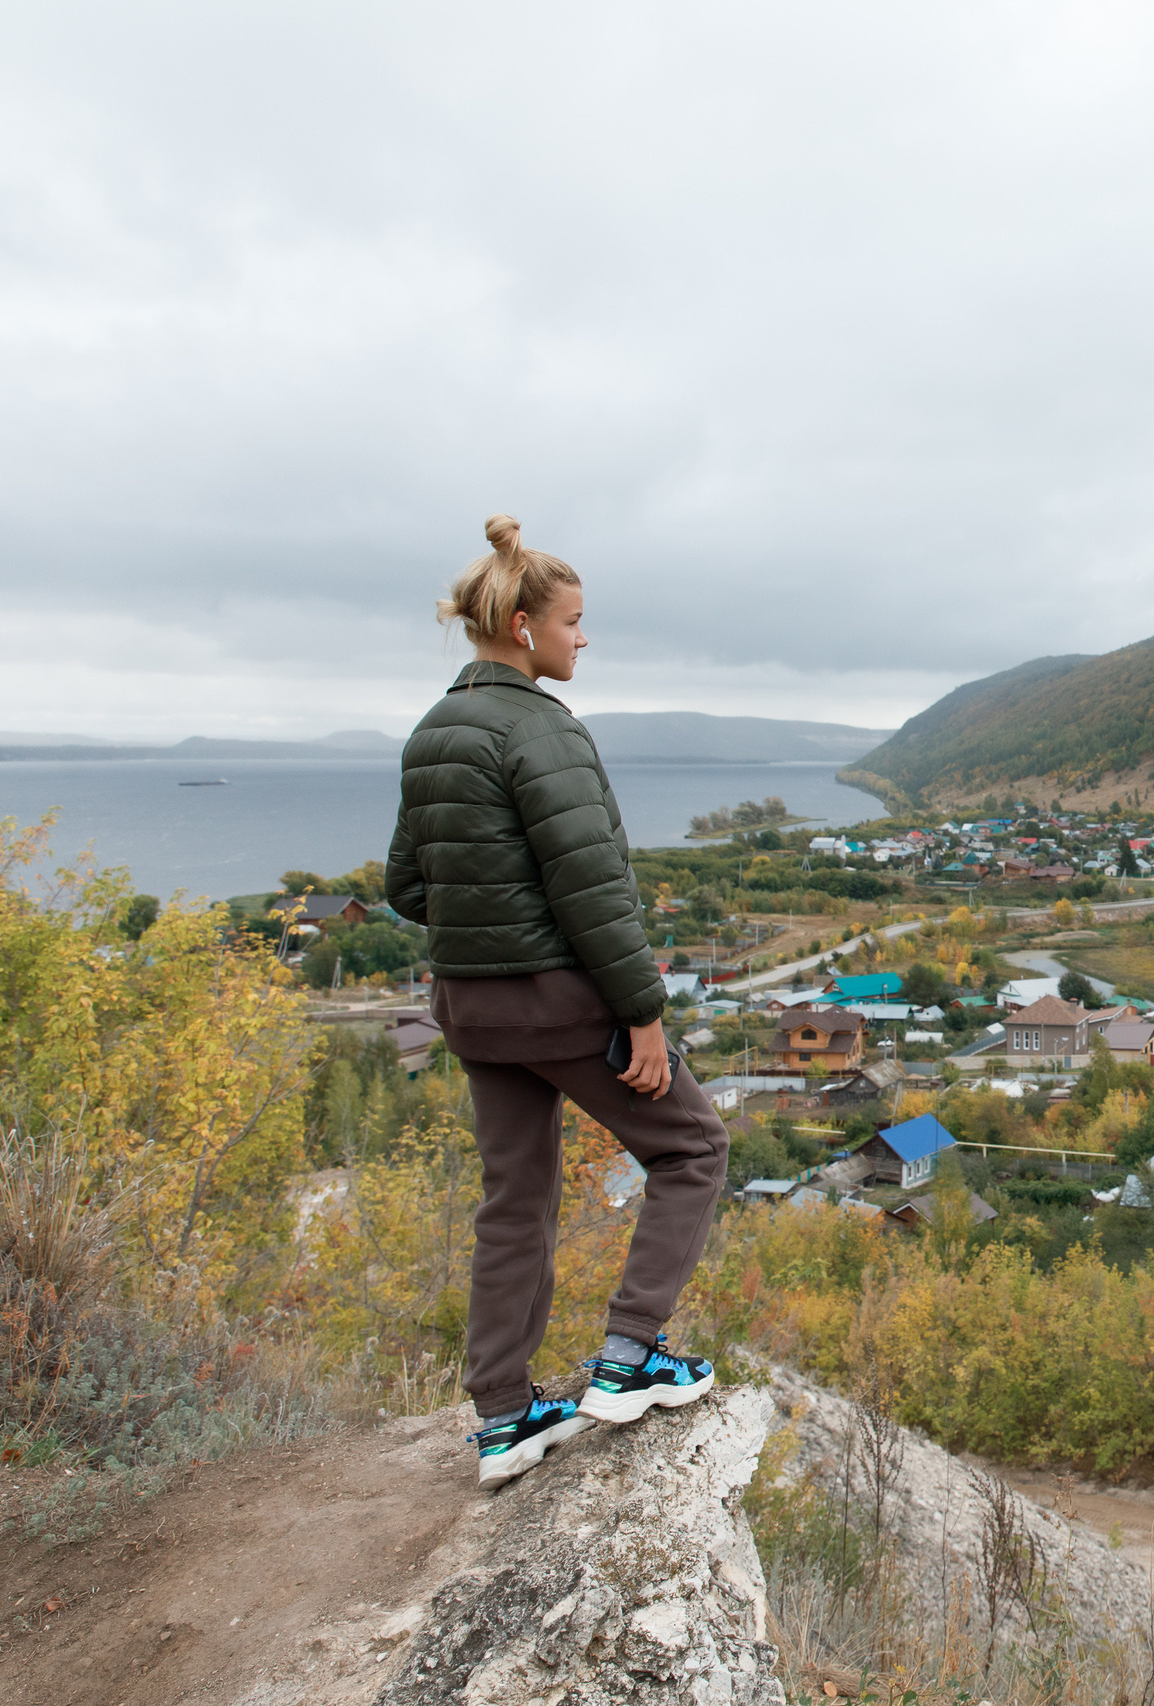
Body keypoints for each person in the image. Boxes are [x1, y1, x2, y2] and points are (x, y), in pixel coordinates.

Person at [385, 514, 726, 1485]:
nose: (584, 639)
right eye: (574, 621)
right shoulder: (544, 728)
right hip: (557, 1003)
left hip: (472, 1009)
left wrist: (489, 923)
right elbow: (595, 890)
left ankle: (503, 1414)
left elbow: (409, 886)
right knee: (692, 1145)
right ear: (525, 626)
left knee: (515, 1197)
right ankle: (629, 1357)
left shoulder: (434, 729)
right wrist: (643, 1014)